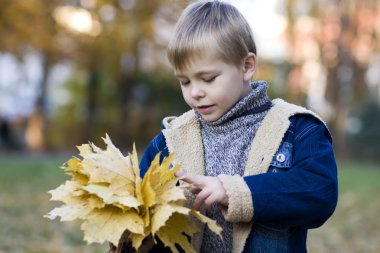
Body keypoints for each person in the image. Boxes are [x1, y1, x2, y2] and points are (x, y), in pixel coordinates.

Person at [114, 1, 338, 252]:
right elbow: (143, 223)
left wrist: (235, 192)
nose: (196, 92)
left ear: (246, 66)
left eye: (208, 79)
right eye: (185, 82)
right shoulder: (169, 142)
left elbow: (320, 192)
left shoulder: (297, 128)